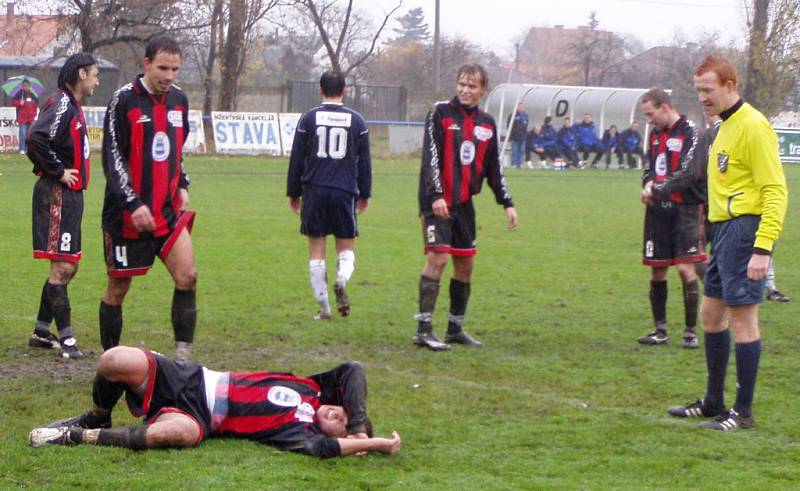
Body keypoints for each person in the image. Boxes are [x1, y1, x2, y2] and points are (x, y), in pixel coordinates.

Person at [667, 56, 787, 430]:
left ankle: (743, 413)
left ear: (730, 86)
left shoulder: (753, 126)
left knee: (743, 320)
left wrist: (763, 248)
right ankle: (714, 401)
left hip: (744, 231)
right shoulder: (721, 128)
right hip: (722, 231)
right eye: (698, 89)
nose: (702, 97)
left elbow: (775, 190)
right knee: (710, 315)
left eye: (709, 89)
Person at [28, 346, 402, 457]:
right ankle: (97, 416)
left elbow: (324, 448)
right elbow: (353, 368)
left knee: (174, 434)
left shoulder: (298, 432)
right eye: (345, 409)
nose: (339, 412)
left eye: (341, 420)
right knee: (113, 360)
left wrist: (373, 444)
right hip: (192, 377)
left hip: (200, 419)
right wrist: (356, 427)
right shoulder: (313, 388)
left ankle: (74, 438)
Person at [99, 36, 198, 360]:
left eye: (175, 69)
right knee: (117, 289)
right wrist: (133, 203)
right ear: (146, 64)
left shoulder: (179, 101)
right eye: (163, 68)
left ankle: (183, 359)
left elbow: (177, 150)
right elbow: (112, 159)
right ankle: (111, 362)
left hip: (167, 212)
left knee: (188, 276)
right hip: (128, 217)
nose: (169, 75)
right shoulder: (124, 100)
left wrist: (182, 182)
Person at [414, 63, 518, 351]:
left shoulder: (486, 124)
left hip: (463, 203)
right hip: (435, 200)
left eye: (472, 86)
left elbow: (494, 168)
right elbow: (431, 158)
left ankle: (455, 328)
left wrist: (507, 203)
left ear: (482, 91)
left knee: (466, 265)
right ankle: (423, 328)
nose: (465, 90)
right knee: (438, 258)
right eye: (461, 83)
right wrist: (435, 195)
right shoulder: (440, 113)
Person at [26, 54, 100, 359]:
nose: (96, 80)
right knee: (63, 266)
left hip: (71, 197)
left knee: (70, 265)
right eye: (94, 74)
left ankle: (42, 332)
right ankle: (67, 339)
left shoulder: (72, 105)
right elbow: (36, 139)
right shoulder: (61, 104)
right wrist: (59, 171)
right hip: (57, 193)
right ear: (81, 73)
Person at [287, 71, 371, 320]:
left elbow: (297, 158)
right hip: (344, 191)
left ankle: (324, 309)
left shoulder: (309, 118)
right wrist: (364, 193)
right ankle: (342, 279)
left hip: (314, 189)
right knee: (346, 246)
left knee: (316, 249)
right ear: (344, 91)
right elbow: (364, 162)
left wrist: (294, 192)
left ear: (320, 90)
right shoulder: (358, 121)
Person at [638, 88, 705, 349]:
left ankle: (690, 332)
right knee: (657, 268)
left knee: (686, 267)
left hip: (686, 209)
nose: (649, 120)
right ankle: (660, 331)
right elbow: (649, 168)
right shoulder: (654, 135)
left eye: (650, 114)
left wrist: (657, 188)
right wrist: (647, 186)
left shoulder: (691, 132)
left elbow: (688, 173)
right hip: (658, 210)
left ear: (665, 107)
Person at [12, 78, 39, 154]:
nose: (25, 87)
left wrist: (34, 115)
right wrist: (19, 103)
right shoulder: (19, 94)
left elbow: (36, 105)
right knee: (22, 134)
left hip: (31, 119)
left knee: (29, 135)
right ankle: (22, 149)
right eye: (24, 85)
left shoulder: (33, 95)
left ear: (29, 86)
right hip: (22, 118)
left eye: (27, 85)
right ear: (22, 86)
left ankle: (28, 149)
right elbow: (13, 102)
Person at [507, 102, 528, 169]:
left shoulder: (525, 115)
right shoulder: (513, 115)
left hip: (523, 136)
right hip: (515, 136)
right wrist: (511, 133)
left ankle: (520, 163)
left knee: (521, 151)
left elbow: (526, 124)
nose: (521, 108)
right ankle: (514, 164)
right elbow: (509, 125)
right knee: (514, 150)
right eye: (520, 106)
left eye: (522, 106)